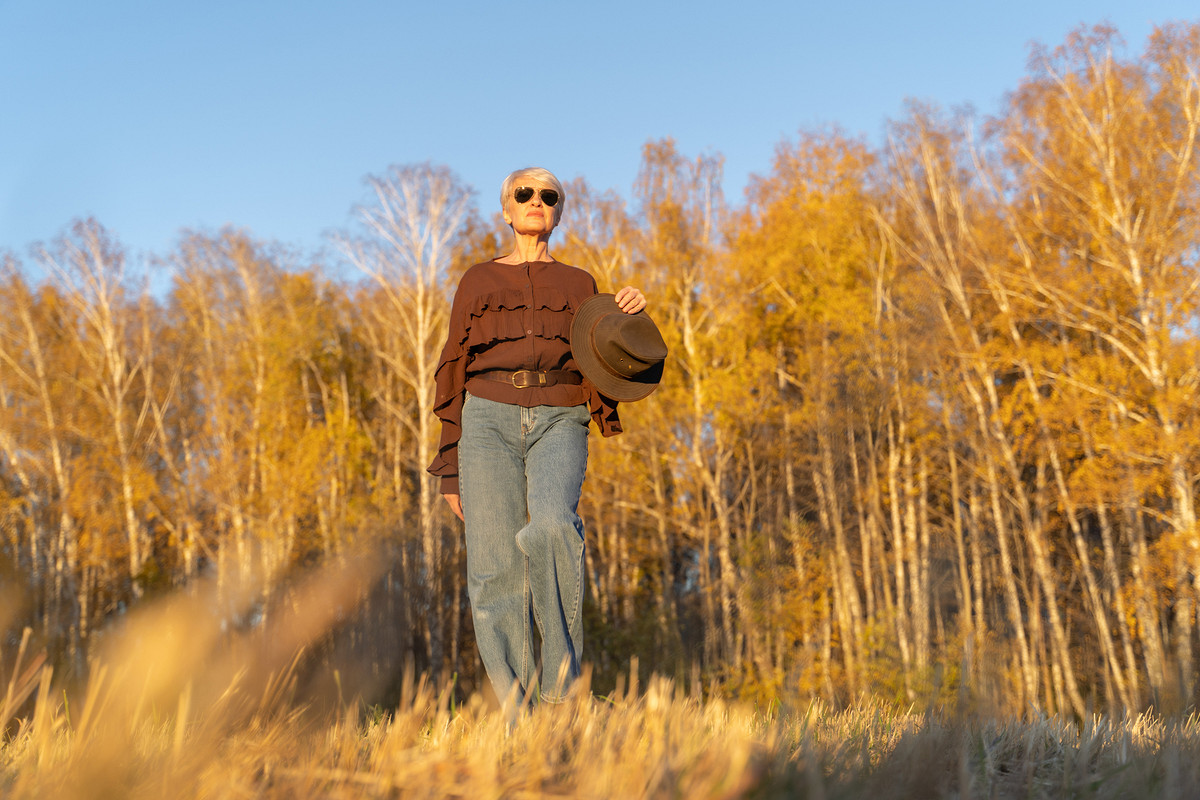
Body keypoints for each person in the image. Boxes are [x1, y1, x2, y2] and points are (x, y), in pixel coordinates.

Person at [427, 166, 649, 711]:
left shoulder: (579, 284)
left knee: (553, 528)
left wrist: (629, 318)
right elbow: (453, 368)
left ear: (557, 212)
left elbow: (610, 360)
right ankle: (518, 714)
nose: (536, 201)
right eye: (523, 194)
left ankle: (561, 698)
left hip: (560, 416)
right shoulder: (477, 281)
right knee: (493, 566)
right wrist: (450, 464)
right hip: (486, 422)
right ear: (506, 210)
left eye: (548, 196)